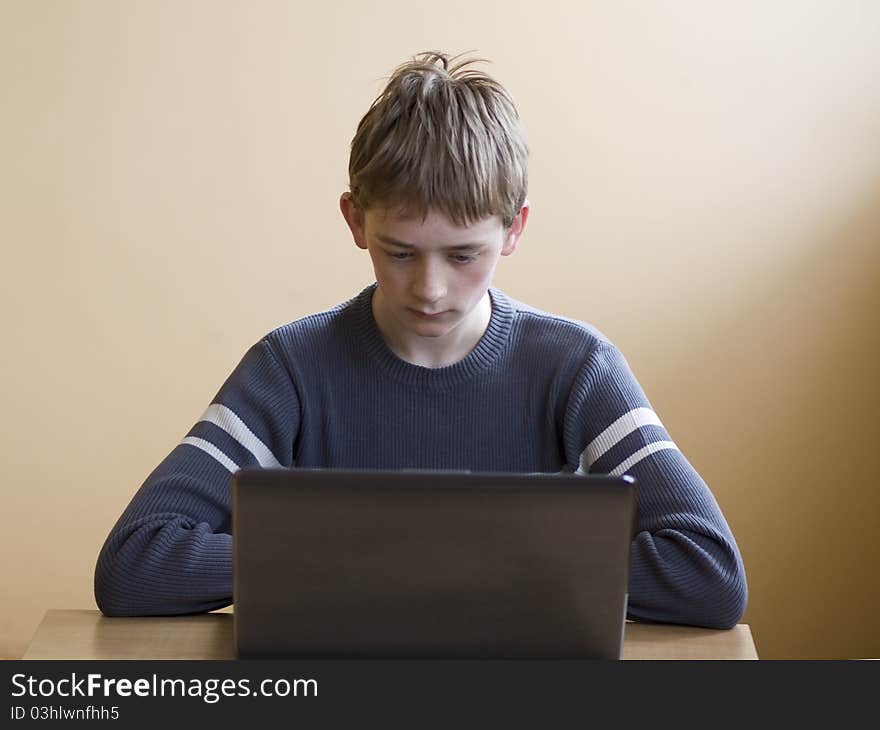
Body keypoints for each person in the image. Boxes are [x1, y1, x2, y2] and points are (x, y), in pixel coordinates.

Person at [94, 51, 747, 629]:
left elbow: (708, 574)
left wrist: (402, 558)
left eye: (463, 256)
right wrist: (427, 556)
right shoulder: (290, 368)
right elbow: (136, 560)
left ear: (514, 229)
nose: (430, 289)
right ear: (355, 220)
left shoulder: (575, 368)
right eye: (399, 252)